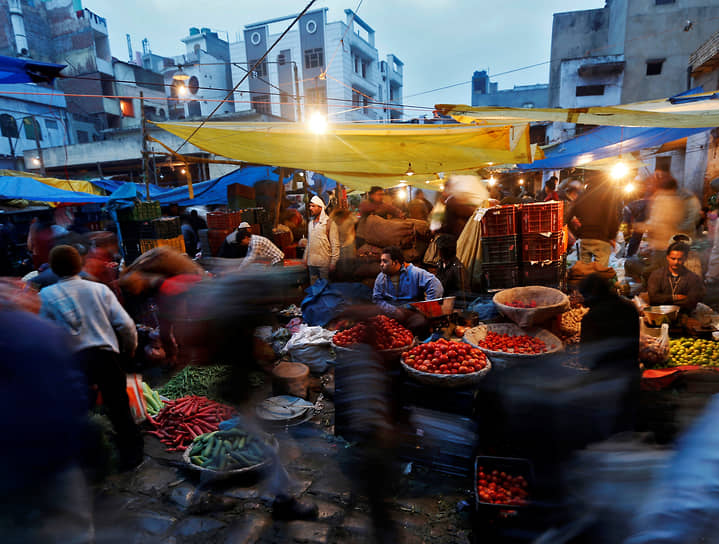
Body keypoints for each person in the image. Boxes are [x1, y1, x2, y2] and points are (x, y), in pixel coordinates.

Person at [39, 245, 143, 470]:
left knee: (79, 411)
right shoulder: (99, 290)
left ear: (54, 269)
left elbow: (44, 333)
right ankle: (132, 456)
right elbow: (125, 324)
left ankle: (92, 459)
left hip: (73, 361)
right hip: (105, 356)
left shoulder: (45, 296)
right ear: (80, 265)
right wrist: (130, 347)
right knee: (119, 407)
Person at [579, 273, 640, 434]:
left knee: (605, 429)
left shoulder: (592, 318)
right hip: (630, 377)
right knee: (626, 426)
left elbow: (585, 359)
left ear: (591, 296)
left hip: (604, 383)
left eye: (584, 297)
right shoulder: (630, 308)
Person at [372, 246, 443, 320]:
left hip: (412, 315)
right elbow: (377, 299)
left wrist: (427, 307)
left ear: (395, 262)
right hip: (390, 316)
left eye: (385, 261)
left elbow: (435, 285)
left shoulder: (415, 273)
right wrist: (393, 311)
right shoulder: (381, 277)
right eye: (381, 261)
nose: (381, 264)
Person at [565, 177, 622, 268]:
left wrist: (578, 233)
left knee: (584, 271)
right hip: (601, 238)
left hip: (585, 239)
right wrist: (612, 236)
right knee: (600, 272)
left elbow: (568, 219)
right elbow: (613, 218)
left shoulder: (582, 196)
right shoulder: (607, 195)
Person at [647, 241, 704, 313]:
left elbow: (691, 302)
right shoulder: (657, 275)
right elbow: (653, 298)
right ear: (667, 257)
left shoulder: (693, 278)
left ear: (685, 258)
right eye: (673, 258)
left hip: (684, 315)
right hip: (659, 314)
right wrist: (675, 297)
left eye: (679, 259)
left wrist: (664, 300)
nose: (676, 262)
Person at [219, 224, 284, 271]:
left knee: (276, 278)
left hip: (277, 259)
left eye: (242, 242)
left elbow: (250, 257)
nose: (242, 244)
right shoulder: (252, 240)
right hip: (273, 260)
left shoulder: (255, 242)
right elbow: (249, 256)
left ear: (246, 238)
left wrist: (239, 269)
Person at [306, 195, 340, 282]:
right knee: (314, 288)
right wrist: (305, 258)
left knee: (325, 289)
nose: (310, 208)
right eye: (310, 206)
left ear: (320, 208)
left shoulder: (329, 223)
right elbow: (309, 243)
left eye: (313, 206)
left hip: (324, 263)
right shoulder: (310, 224)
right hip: (311, 263)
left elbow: (335, 245)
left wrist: (333, 263)